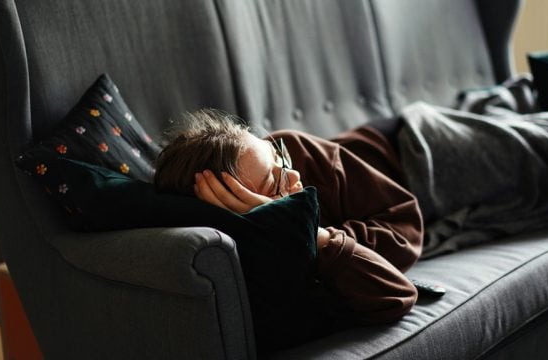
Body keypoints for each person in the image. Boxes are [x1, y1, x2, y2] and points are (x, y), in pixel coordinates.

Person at [154, 108, 423, 326]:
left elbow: (406, 228)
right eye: (274, 183)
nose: (293, 175)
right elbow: (396, 295)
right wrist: (307, 232)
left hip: (411, 143)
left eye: (277, 155)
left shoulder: (295, 149)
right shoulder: (264, 252)